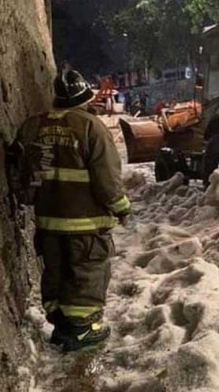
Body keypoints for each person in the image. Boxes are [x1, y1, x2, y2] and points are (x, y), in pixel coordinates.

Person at [13, 66, 130, 352]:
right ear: (85, 98)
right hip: (86, 225)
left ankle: (61, 326)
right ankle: (80, 330)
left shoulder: (32, 126)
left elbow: (23, 174)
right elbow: (107, 179)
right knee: (86, 273)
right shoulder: (91, 127)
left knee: (56, 271)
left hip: (48, 224)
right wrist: (121, 208)